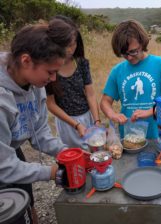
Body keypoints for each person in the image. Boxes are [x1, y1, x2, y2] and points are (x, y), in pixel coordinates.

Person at [0, 19, 75, 223]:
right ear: (26, 60)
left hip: (10, 151)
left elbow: (40, 132)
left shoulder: (35, 83)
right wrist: (52, 172)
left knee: (26, 202)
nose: (53, 79)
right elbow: (4, 167)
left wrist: (67, 153)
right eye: (50, 72)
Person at [100, 19, 161, 139]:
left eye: (133, 51)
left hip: (157, 135)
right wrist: (112, 115)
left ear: (142, 43)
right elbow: (105, 101)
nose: (129, 57)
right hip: (128, 137)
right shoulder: (117, 71)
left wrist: (150, 111)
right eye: (124, 53)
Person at [46, 16, 101, 149]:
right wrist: (75, 124)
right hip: (66, 122)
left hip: (86, 117)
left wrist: (96, 121)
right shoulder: (49, 68)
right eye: (67, 46)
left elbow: (90, 94)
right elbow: (51, 104)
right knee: (74, 156)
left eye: (74, 44)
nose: (71, 49)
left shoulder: (81, 63)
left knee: (94, 151)